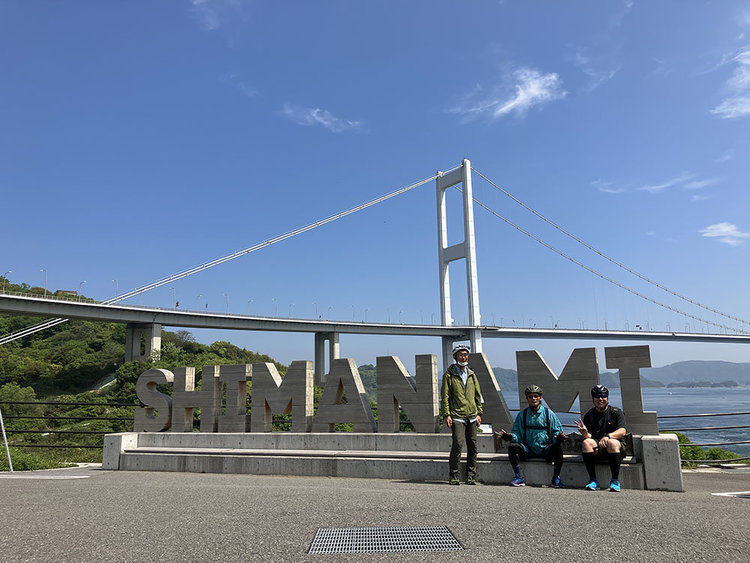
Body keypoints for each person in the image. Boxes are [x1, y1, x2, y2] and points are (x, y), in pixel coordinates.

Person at [496, 385, 566, 488]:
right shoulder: (522, 415)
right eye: (530, 396)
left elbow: (556, 432)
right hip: (527, 449)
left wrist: (558, 438)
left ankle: (556, 478)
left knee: (557, 448)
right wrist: (509, 437)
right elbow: (517, 434)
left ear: (540, 398)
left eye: (536, 396)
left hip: (545, 449)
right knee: (512, 447)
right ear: (527, 399)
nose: (533, 398)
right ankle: (519, 477)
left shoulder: (548, 414)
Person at [440, 344, 483, 485]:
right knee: (457, 444)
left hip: (472, 415)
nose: (464, 357)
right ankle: (453, 475)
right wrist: (446, 414)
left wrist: (479, 412)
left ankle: (471, 475)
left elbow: (477, 394)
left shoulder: (471, 374)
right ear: (455, 357)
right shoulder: (449, 375)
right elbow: (445, 396)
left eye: (465, 355)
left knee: (473, 446)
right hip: (457, 415)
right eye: (460, 355)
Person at [575, 384, 628, 492]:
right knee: (586, 443)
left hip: (616, 446)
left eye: (603, 396)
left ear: (607, 398)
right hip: (598, 445)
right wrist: (584, 433)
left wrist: (608, 436)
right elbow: (589, 436)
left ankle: (614, 481)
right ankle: (593, 480)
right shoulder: (589, 415)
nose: (600, 399)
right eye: (597, 396)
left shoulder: (616, 412)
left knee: (612, 443)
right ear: (593, 399)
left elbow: (622, 431)